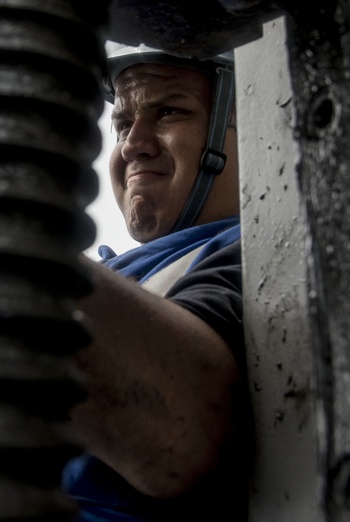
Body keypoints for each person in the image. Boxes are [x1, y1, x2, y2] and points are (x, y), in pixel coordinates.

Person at [62, 44, 248, 521]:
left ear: (252, 123)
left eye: (168, 111)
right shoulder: (102, 276)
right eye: (123, 124)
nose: (132, 143)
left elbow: (179, 433)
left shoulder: (262, 250)